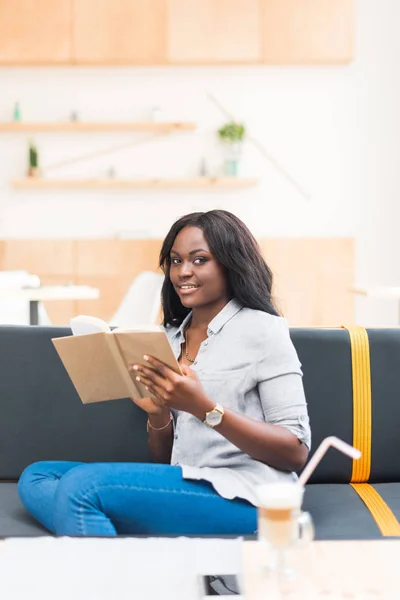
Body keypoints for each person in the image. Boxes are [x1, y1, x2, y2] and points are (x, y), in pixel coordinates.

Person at [18, 210, 311, 536]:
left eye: (199, 260)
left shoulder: (264, 330)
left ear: (230, 264)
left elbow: (295, 451)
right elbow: (164, 461)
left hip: (245, 493)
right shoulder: (168, 338)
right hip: (184, 483)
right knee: (39, 476)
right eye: (175, 261)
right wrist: (159, 415)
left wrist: (204, 408)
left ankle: (108, 557)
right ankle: (102, 528)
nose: (183, 271)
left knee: (82, 487)